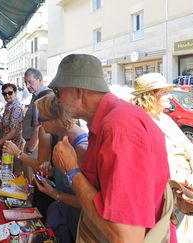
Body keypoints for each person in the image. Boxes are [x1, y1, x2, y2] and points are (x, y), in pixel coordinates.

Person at [49, 54, 173, 242]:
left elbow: (127, 237)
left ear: (78, 90)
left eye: (59, 93)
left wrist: (72, 170)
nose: (57, 100)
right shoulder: (109, 121)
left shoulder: (119, 128)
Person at [3, 94, 87, 242]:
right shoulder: (63, 137)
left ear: (57, 119)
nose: (40, 124)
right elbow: (70, 180)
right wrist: (53, 170)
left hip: (78, 221)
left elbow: (85, 201)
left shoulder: (80, 147)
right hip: (65, 213)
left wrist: (55, 194)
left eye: (42, 120)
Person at [130, 72, 193, 242]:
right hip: (171, 195)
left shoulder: (166, 119)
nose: (170, 97)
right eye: (164, 92)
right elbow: (152, 166)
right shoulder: (139, 123)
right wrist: (186, 185)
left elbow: (192, 152)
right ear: (149, 96)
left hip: (188, 187)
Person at [21, 68, 52, 180]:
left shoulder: (42, 98)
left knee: (30, 180)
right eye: (26, 83)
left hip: (34, 146)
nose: (28, 86)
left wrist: (29, 150)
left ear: (40, 80)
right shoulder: (37, 96)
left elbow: (37, 127)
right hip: (34, 144)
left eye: (30, 82)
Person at [0, 83, 24, 162]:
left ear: (15, 93)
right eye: (4, 94)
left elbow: (13, 131)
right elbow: (3, 127)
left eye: (10, 93)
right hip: (8, 144)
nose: (7, 95)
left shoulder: (16, 107)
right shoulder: (8, 106)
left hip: (15, 145)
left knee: (14, 169)